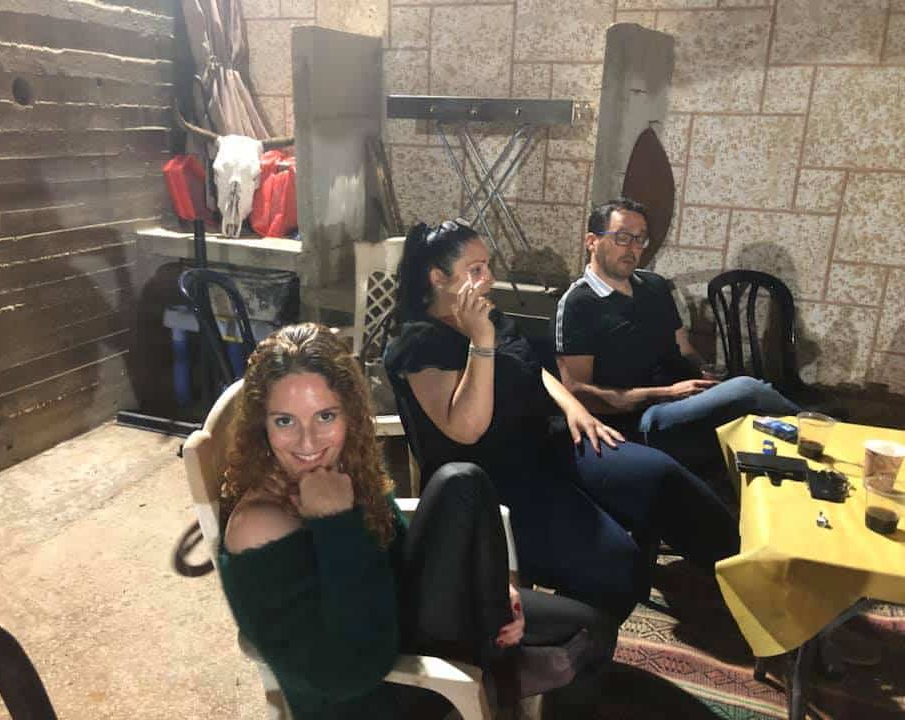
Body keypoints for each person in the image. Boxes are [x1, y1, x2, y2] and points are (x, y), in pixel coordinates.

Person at [217, 323, 614, 720]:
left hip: (400, 617)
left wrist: (493, 587)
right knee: (575, 646)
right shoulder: (258, 528)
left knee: (464, 483)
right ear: (261, 424)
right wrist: (336, 524)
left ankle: (503, 673)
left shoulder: (340, 466)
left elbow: (400, 552)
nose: (308, 442)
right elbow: (348, 674)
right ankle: (501, 675)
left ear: (349, 414)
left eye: (325, 416)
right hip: (375, 695)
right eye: (284, 421)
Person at [384, 220, 740, 626]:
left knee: (661, 477)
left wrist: (574, 408)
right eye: (476, 269)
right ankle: (565, 643)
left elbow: (530, 366)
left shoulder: (487, 314)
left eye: (488, 266)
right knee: (617, 566)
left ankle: (748, 572)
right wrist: (480, 342)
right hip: (496, 478)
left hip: (547, 439)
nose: (490, 278)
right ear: (437, 278)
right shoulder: (420, 343)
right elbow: (466, 428)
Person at [552, 197, 800, 472]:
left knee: (754, 418)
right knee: (747, 390)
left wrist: (703, 374)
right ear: (592, 241)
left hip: (679, 398)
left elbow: (684, 348)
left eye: (640, 239)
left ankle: (803, 460)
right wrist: (666, 393)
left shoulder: (654, 285)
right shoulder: (578, 304)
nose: (633, 248)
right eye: (622, 237)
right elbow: (579, 392)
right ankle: (819, 429)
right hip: (638, 417)